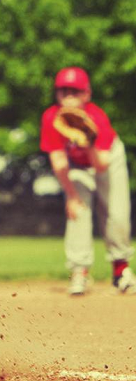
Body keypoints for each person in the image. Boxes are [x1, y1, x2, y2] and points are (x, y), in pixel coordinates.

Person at [40, 67, 135, 296]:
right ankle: (79, 272)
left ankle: (121, 271)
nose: (69, 96)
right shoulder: (52, 117)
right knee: (78, 212)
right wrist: (71, 196)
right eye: (63, 91)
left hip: (107, 159)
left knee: (116, 213)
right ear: (57, 94)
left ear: (86, 94)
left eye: (75, 91)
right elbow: (58, 160)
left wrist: (87, 141)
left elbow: (101, 165)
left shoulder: (97, 117)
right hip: (76, 167)